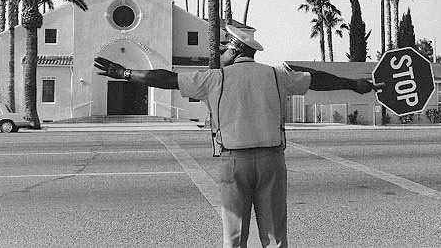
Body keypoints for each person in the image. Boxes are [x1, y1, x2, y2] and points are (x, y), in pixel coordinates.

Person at [94, 25, 380, 248]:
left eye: (223, 50)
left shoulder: (214, 78)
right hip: (272, 161)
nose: (219, 55)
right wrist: (353, 84)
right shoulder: (276, 74)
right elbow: (314, 78)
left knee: (234, 237)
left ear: (233, 50)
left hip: (234, 162)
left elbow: (167, 78)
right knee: (275, 236)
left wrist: (125, 72)